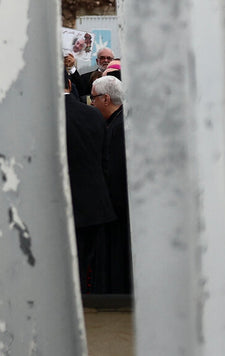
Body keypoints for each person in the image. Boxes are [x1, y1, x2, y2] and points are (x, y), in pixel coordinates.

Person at [64, 70, 116, 293]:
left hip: (55, 207)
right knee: (87, 269)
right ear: (68, 84)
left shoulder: (37, 115)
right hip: (93, 205)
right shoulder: (93, 115)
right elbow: (105, 161)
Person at [91, 75, 131, 293]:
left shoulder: (118, 128)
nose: (92, 103)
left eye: (94, 98)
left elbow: (115, 174)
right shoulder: (117, 122)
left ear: (106, 99)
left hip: (119, 212)